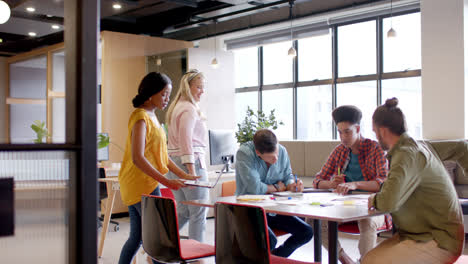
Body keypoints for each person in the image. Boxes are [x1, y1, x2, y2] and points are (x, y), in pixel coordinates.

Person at [363, 98, 464, 264]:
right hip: (418, 234)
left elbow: (388, 202)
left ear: (382, 131)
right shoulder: (415, 146)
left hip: (439, 240)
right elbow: (462, 147)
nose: (375, 137)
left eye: (374, 132)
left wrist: (373, 199)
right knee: (367, 259)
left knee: (371, 262)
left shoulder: (406, 154)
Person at [117, 72, 199, 264]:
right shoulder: (140, 117)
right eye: (163, 94)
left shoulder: (153, 117)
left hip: (148, 182)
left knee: (138, 237)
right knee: (158, 238)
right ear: (150, 92)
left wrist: (183, 174)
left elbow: (161, 156)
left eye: (168, 95)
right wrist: (167, 181)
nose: (166, 99)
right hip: (139, 184)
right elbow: (138, 158)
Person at [310, 105, 389, 264]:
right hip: (345, 206)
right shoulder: (339, 151)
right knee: (312, 221)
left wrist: (354, 184)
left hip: (374, 206)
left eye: (347, 131)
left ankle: (365, 261)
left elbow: (382, 183)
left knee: (367, 221)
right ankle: (346, 260)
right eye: (340, 132)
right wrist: (332, 183)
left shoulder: (376, 149)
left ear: (358, 128)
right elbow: (317, 181)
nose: (343, 137)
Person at [235, 129, 313, 258]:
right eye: (271, 157)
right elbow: (254, 188)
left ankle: (275, 259)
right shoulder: (245, 153)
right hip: (250, 211)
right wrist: (277, 187)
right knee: (269, 240)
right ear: (258, 153)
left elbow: (287, 175)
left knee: (306, 232)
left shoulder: (281, 150)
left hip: (274, 209)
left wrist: (291, 184)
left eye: (276, 153)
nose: (276, 159)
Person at [166, 69, 208, 242]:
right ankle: (197, 257)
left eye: (203, 87)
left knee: (184, 211)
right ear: (187, 87)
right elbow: (186, 140)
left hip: (175, 163)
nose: (202, 91)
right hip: (190, 163)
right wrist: (191, 171)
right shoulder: (189, 109)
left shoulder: (177, 107)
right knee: (198, 211)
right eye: (198, 87)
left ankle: (163, 242)